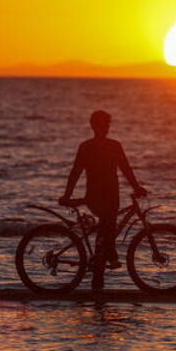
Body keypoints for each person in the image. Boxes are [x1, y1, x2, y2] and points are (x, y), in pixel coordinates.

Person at [59, 110, 147, 294]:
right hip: (95, 197)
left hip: (112, 196)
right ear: (93, 126)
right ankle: (103, 269)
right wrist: (67, 195)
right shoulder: (85, 147)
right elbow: (75, 172)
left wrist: (136, 187)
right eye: (100, 124)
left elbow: (125, 168)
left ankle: (101, 272)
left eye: (107, 124)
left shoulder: (115, 145)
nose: (104, 128)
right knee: (107, 227)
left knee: (108, 231)